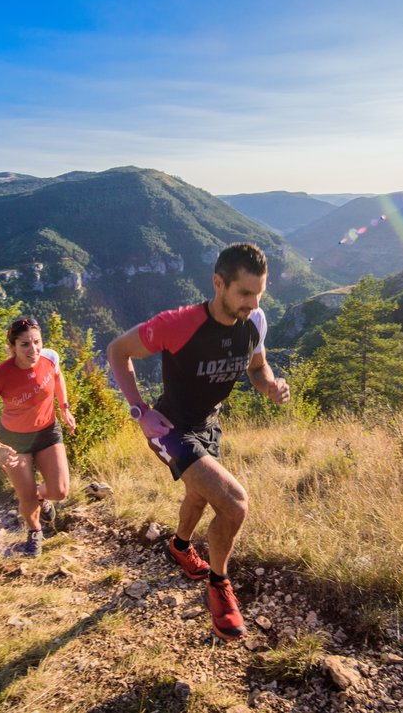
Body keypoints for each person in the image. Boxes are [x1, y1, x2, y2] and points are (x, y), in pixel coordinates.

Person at [106, 243, 290, 641]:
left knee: (200, 494)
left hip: (209, 424)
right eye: (244, 293)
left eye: (259, 294)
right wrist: (140, 411)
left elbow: (257, 367)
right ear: (218, 283)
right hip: (170, 429)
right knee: (234, 503)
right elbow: (118, 351)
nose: (253, 303)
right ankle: (219, 585)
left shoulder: (255, 321)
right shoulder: (178, 323)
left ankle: (179, 546)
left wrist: (270, 387)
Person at [0, 317, 77, 558]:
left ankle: (40, 496)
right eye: (25, 344)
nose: (34, 349)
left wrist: (64, 407)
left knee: (60, 491)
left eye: (37, 342)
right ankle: (34, 531)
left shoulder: (50, 358)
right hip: (13, 441)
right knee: (25, 497)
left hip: (47, 432)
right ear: (12, 347)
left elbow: (58, 377)